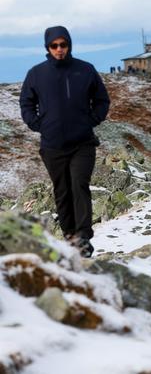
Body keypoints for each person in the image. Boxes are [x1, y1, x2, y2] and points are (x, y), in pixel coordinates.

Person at [19, 26, 110, 257]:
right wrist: (37, 124)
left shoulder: (85, 70)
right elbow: (26, 103)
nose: (60, 49)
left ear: (70, 45)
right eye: (55, 45)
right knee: (62, 190)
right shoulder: (36, 74)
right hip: (52, 146)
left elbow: (101, 100)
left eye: (63, 45)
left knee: (79, 184)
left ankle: (83, 236)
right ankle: (70, 235)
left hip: (83, 143)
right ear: (48, 48)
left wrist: (91, 120)